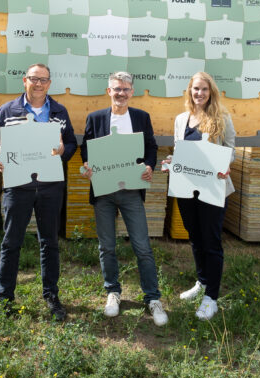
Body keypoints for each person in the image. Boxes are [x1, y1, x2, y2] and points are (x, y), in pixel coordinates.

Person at [0, 63, 77, 322]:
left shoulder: (59, 111)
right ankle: (4, 299)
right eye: (34, 79)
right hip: (17, 186)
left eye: (43, 80)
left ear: (49, 84)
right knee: (11, 242)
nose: (38, 84)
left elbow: (71, 143)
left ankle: (51, 295)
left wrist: (63, 152)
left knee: (49, 242)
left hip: (50, 186)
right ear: (24, 81)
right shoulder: (7, 110)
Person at [80, 71, 168, 326]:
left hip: (131, 191)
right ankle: (113, 292)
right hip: (104, 190)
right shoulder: (95, 118)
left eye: (125, 89)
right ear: (109, 91)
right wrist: (87, 165)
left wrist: (150, 165)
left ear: (132, 92)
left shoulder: (141, 117)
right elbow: (87, 148)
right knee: (107, 245)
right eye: (116, 89)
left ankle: (152, 298)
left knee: (142, 246)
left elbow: (151, 147)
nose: (120, 93)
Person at [166, 71, 236, 321]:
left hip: (213, 188)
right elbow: (180, 151)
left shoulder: (222, 118)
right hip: (187, 187)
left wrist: (224, 164)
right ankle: (202, 282)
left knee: (211, 240)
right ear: (190, 91)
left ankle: (212, 298)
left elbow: (230, 151)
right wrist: (172, 162)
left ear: (211, 92)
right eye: (196, 89)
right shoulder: (181, 119)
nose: (199, 93)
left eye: (204, 89)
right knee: (195, 236)